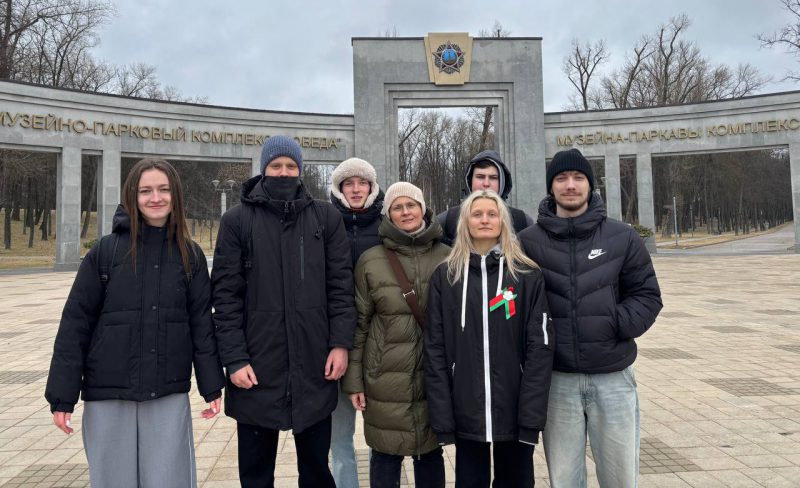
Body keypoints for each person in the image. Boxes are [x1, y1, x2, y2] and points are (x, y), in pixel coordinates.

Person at [45, 158, 225, 488]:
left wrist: (211, 385)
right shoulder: (105, 252)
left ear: (175, 195)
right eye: (146, 191)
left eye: (163, 189)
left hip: (167, 392)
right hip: (107, 395)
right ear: (132, 196)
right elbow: (75, 324)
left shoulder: (190, 255)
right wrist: (62, 395)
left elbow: (202, 326)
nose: (155, 198)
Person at [211, 135, 356, 487]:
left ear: (300, 170)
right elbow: (226, 297)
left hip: (314, 364)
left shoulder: (325, 217)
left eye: (291, 166)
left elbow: (341, 288)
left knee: (316, 472)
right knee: (256, 474)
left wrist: (340, 344)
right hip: (256, 369)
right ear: (264, 169)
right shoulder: (236, 220)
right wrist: (234, 358)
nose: (283, 172)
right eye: (276, 166)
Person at [518, 148, 662, 488]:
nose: (570, 185)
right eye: (561, 178)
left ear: (590, 185)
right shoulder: (526, 242)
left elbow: (647, 296)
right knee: (565, 480)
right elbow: (513, 305)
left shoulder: (622, 237)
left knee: (620, 479)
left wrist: (613, 324)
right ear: (551, 186)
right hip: (556, 382)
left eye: (578, 177)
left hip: (612, 379)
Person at [425, 190, 554, 488]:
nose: (485, 220)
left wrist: (531, 417)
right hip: (466, 410)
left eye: (492, 214)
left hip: (514, 409)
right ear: (465, 222)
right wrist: (443, 418)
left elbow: (540, 348)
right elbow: (434, 348)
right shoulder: (446, 276)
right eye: (477, 214)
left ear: (503, 221)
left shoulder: (526, 274)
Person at [342, 182, 450, 488]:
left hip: (433, 376)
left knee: (430, 453)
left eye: (411, 205)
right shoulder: (371, 260)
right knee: (385, 455)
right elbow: (360, 324)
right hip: (384, 378)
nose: (406, 212)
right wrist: (354, 381)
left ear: (423, 209)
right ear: (388, 215)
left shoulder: (448, 256)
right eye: (397, 207)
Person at [328, 157, 384, 488]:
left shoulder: (386, 225)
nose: (356, 189)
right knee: (339, 437)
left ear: (372, 187)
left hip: (379, 343)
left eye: (362, 182)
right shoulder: (323, 223)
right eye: (348, 183)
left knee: (381, 435)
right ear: (339, 188)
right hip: (335, 342)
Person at [437, 150, 533, 246]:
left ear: (502, 183)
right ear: (470, 181)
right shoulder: (449, 219)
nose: (486, 184)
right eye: (480, 177)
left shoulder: (522, 221)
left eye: (493, 177)